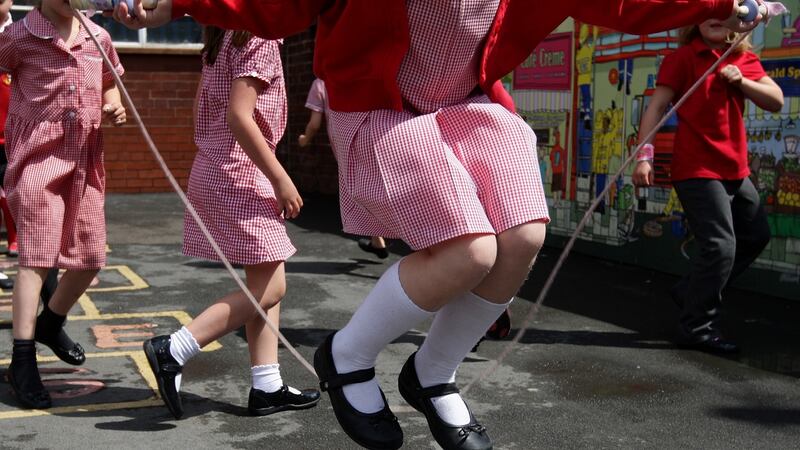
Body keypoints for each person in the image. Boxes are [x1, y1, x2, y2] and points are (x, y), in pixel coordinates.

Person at [113, 1, 763, 448]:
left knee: (524, 236)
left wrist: (715, 3)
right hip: (382, 109)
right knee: (468, 252)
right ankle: (346, 356)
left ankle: (433, 372)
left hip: (468, 104)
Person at [141, 26, 319, 420]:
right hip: (241, 172)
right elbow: (240, 116)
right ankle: (175, 348)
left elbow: (201, 113)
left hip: (216, 165)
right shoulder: (260, 39)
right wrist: (280, 178)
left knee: (265, 280)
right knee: (272, 286)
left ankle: (267, 385)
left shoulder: (221, 39)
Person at [0, 0, 126, 409]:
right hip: (37, 160)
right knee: (36, 258)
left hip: (85, 163)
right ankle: (22, 360)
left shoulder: (98, 36)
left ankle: (50, 323)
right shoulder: (19, 36)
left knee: (89, 258)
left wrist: (114, 104)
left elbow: (109, 81)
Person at [633, 17, 783, 354]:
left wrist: (742, 81)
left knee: (755, 235)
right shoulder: (682, 58)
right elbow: (656, 107)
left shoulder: (741, 57)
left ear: (736, 19)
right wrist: (644, 157)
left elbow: (775, 100)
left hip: (735, 171)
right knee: (719, 246)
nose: (713, 16)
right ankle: (696, 328)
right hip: (697, 168)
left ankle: (691, 291)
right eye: (705, 9)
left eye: (722, 7)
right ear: (694, 21)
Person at [298, 78, 390, 260]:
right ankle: (378, 240)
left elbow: (314, 124)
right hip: (375, 132)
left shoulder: (320, 83)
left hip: (345, 144)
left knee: (360, 187)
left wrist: (305, 139)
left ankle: (381, 239)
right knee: (376, 183)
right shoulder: (357, 72)